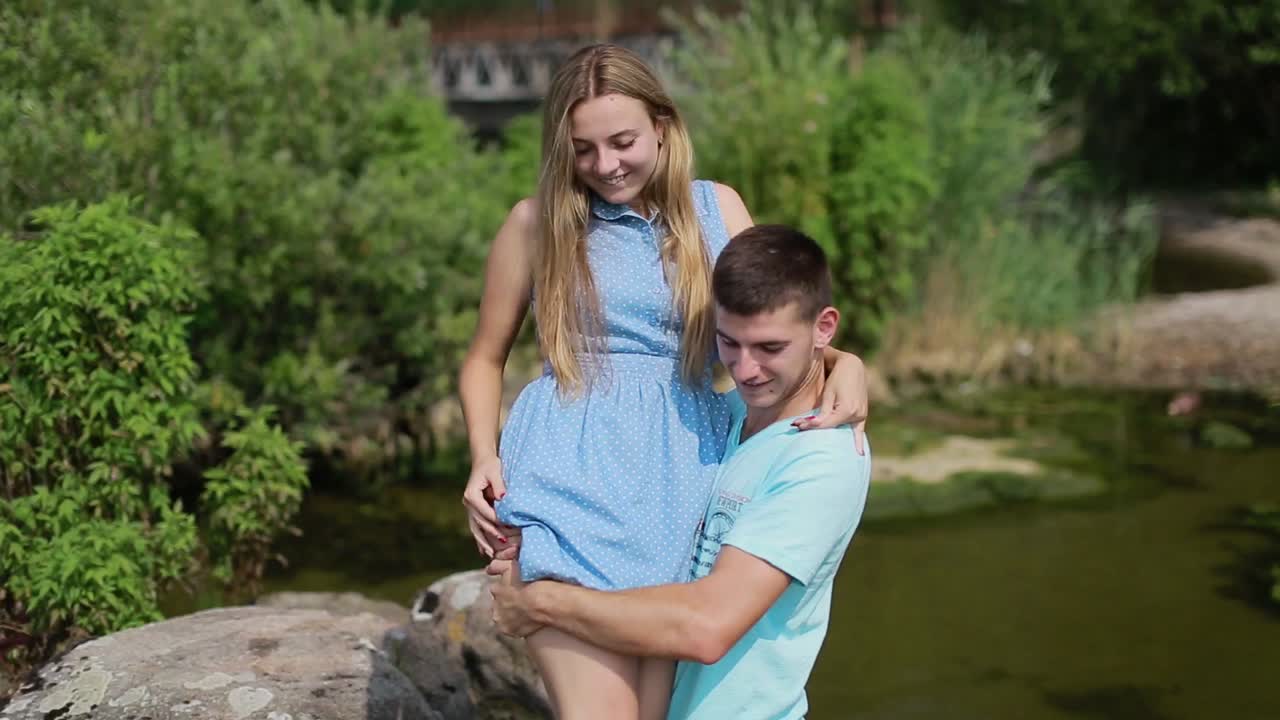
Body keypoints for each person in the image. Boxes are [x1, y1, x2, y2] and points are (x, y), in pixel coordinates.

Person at [458, 44, 868, 720]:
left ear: (663, 127)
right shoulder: (536, 225)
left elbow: (774, 316)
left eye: (622, 142)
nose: (606, 165)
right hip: (572, 477)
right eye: (584, 150)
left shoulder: (716, 209)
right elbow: (483, 356)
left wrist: (848, 363)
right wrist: (482, 456)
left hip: (684, 480)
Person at [488, 224, 871, 720]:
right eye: (729, 344)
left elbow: (707, 628)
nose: (746, 369)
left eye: (770, 349)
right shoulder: (722, 416)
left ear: (825, 328)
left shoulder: (821, 463)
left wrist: (540, 603)